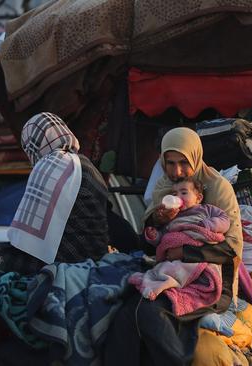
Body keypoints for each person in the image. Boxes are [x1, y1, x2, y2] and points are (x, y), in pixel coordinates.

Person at [103, 127, 243, 366]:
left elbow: (231, 250)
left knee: (149, 312)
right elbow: (150, 248)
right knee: (125, 312)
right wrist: (158, 221)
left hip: (212, 281)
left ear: (195, 157)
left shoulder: (217, 188)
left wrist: (184, 252)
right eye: (170, 163)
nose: (177, 172)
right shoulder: (164, 188)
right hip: (171, 274)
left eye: (183, 163)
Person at [3, 112, 111, 272]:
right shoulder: (86, 164)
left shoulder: (51, 165)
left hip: (69, 263)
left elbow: (27, 242)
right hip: (95, 257)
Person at [129, 177, 229, 310]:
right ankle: (149, 280)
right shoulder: (173, 216)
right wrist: (154, 235)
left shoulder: (205, 210)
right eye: (174, 194)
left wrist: (206, 225)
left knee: (176, 270)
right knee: (163, 267)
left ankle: (158, 286)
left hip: (196, 251)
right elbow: (165, 238)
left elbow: (224, 220)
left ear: (198, 198)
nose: (178, 197)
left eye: (184, 193)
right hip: (173, 256)